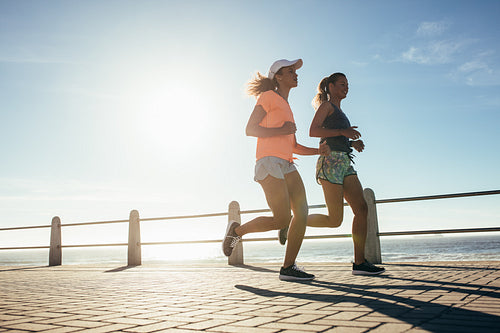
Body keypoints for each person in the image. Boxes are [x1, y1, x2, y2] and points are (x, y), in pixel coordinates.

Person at [222, 59, 328, 281]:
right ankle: (237, 231)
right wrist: (281, 129)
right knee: (281, 220)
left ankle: (288, 267)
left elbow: (294, 146)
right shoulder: (268, 97)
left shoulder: (287, 106)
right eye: (290, 71)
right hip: (268, 162)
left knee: (302, 212)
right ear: (278, 76)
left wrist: (319, 151)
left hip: (288, 163)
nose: (295, 74)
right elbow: (250, 129)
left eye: (295, 71)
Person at [306, 72, 385, 275]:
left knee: (361, 208)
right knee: (335, 220)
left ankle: (359, 263)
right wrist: (344, 132)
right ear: (331, 87)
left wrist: (352, 142)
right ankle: (294, 222)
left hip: (345, 163)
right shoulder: (326, 106)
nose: (346, 87)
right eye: (342, 84)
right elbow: (313, 131)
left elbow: (336, 137)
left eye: (347, 84)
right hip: (330, 162)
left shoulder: (340, 111)